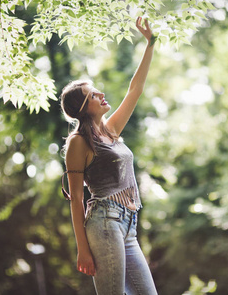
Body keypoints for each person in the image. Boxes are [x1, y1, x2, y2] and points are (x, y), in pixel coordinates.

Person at [60, 17, 157, 295]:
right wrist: (82, 249)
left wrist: (150, 44)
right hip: (105, 223)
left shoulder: (111, 131)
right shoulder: (78, 143)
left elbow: (135, 90)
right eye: (92, 95)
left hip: (128, 225)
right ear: (82, 108)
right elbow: (77, 199)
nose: (101, 94)